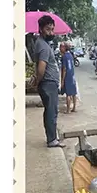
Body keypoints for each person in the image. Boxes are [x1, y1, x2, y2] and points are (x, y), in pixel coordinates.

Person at [33, 15, 65, 148]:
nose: (51, 32)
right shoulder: (43, 46)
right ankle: (52, 140)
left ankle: (52, 137)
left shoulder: (43, 43)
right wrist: (37, 81)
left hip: (48, 83)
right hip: (48, 83)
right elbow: (41, 67)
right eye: (48, 29)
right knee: (52, 111)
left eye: (52, 29)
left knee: (50, 110)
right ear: (40, 29)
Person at [60, 42, 78, 113]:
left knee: (68, 94)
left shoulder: (64, 56)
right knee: (73, 92)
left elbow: (64, 69)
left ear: (64, 48)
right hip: (72, 75)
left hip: (67, 76)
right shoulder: (70, 55)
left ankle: (68, 110)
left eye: (61, 47)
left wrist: (62, 80)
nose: (60, 48)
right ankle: (74, 108)